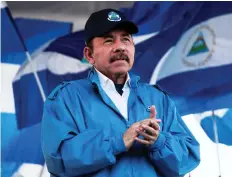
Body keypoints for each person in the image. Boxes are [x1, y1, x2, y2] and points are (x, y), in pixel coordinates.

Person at [42, 8, 200, 177]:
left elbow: (188, 158)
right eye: (109, 41)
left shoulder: (158, 99)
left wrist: (158, 141)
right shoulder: (66, 98)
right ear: (89, 55)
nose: (120, 47)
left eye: (126, 39)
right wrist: (119, 141)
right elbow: (59, 159)